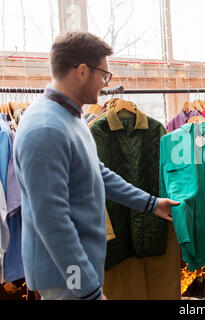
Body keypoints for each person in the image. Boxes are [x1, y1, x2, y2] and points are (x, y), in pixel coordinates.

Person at [13, 31, 179, 300]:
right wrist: (85, 289)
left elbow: (98, 173)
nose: (105, 84)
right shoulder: (45, 129)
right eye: (104, 75)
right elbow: (52, 222)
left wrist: (150, 204)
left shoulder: (71, 118)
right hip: (65, 280)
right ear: (81, 71)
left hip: (79, 273)